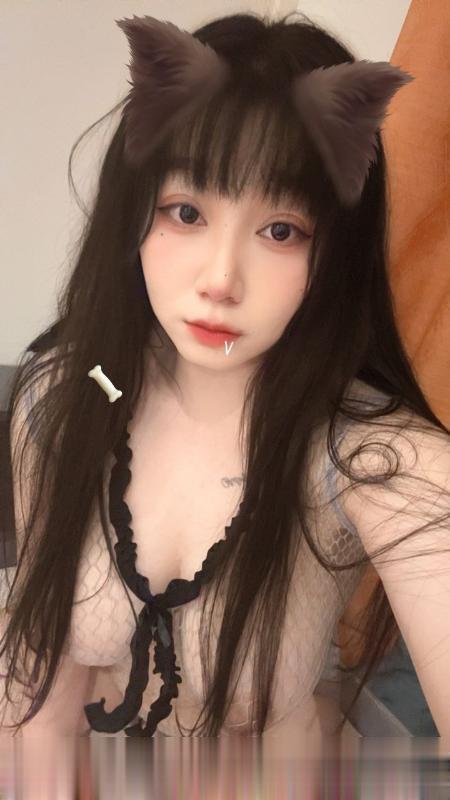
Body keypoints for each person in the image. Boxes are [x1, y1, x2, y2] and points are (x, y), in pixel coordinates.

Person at [1, 10, 449, 743]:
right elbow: (41, 677)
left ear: (336, 251)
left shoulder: (374, 460)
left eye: (282, 231)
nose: (220, 280)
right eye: (186, 212)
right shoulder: (64, 398)